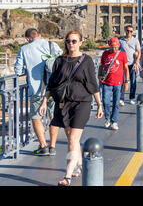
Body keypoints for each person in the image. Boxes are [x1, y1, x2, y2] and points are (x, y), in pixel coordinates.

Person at [39, 30, 103, 186]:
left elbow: (92, 84)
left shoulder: (86, 60)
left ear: (81, 42)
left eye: (74, 41)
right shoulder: (60, 61)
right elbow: (52, 83)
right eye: (68, 41)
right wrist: (44, 101)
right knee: (71, 138)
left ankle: (67, 175)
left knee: (73, 139)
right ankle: (78, 164)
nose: (71, 44)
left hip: (82, 103)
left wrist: (99, 104)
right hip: (63, 103)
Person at [14, 28, 62, 156]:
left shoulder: (24, 49)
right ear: (39, 35)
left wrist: (28, 70)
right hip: (54, 88)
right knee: (53, 117)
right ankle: (52, 146)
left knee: (36, 117)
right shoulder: (52, 45)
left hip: (37, 90)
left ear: (27, 39)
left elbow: (18, 70)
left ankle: (43, 146)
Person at [99, 37, 129, 130]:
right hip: (106, 82)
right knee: (105, 101)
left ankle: (114, 121)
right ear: (109, 46)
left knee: (116, 103)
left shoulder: (122, 54)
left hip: (118, 83)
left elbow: (126, 68)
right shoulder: (105, 54)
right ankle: (107, 118)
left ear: (118, 46)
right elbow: (102, 65)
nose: (114, 49)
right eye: (112, 47)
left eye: (116, 47)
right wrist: (99, 75)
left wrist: (126, 82)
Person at [119, 25, 141, 106]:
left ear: (133, 32)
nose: (129, 32)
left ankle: (132, 98)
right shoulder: (120, 40)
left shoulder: (135, 41)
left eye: (131, 31)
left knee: (133, 81)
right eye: (128, 30)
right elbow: (117, 51)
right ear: (125, 30)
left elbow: (139, 52)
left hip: (132, 64)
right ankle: (121, 98)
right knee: (122, 81)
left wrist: (136, 62)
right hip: (123, 65)